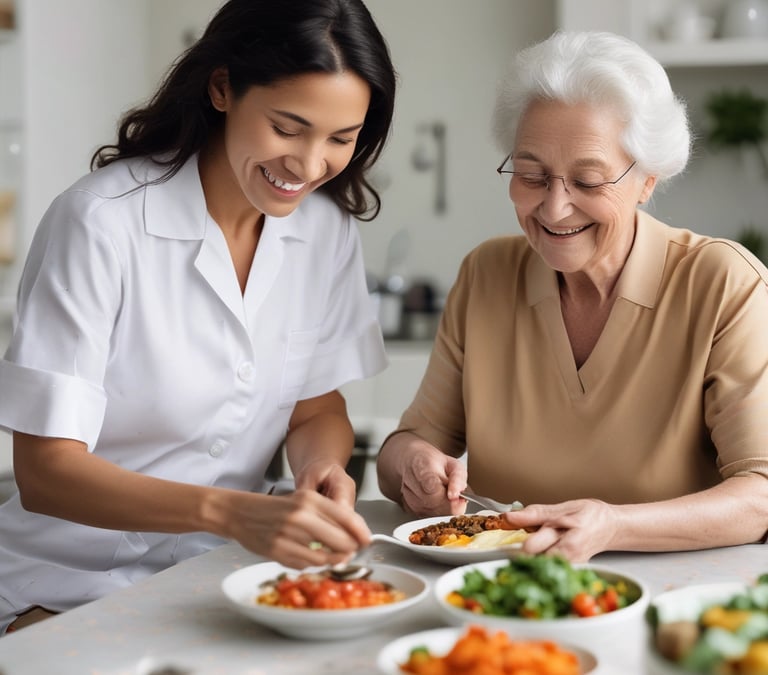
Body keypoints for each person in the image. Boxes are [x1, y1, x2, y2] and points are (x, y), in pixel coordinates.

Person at [0, 0, 397, 633]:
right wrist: (230, 512)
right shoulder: (102, 222)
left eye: (341, 139)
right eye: (288, 127)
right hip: (62, 581)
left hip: (223, 576)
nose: (309, 163)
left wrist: (320, 469)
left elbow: (316, 410)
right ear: (222, 88)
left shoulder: (325, 231)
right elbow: (47, 472)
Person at [377, 30, 768, 562]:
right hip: (494, 591)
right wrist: (415, 466)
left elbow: (760, 493)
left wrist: (614, 526)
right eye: (532, 175)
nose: (555, 208)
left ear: (647, 180)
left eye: (587, 181)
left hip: (673, 598)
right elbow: (401, 449)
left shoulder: (723, 282)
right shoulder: (487, 274)